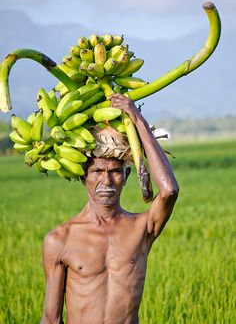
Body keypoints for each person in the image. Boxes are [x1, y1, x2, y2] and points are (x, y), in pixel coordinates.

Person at [40, 94, 179, 324]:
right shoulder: (59, 240)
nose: (106, 182)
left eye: (114, 171)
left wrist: (137, 119)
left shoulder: (142, 229)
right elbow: (51, 319)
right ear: (83, 177)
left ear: (125, 176)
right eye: (97, 172)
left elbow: (169, 191)